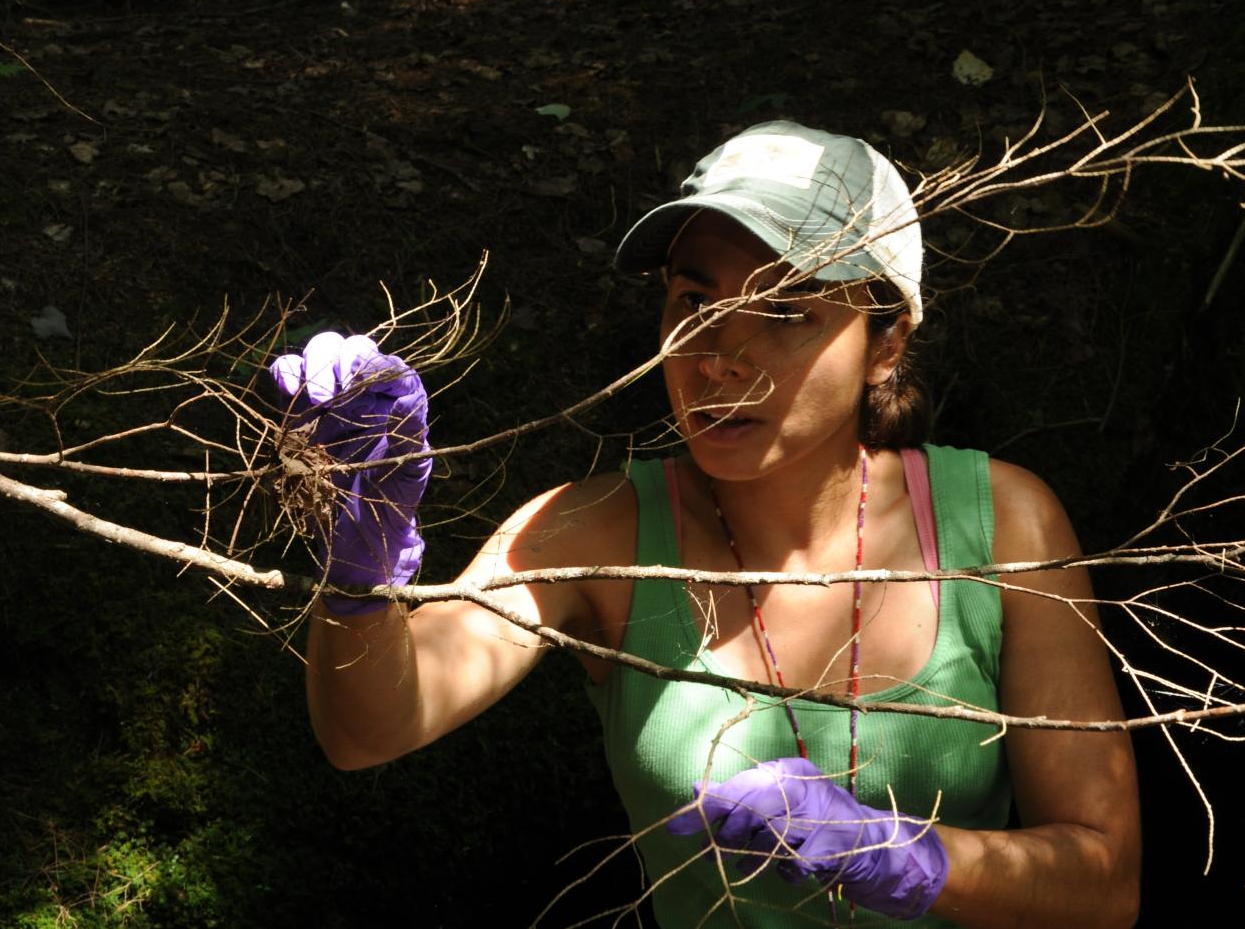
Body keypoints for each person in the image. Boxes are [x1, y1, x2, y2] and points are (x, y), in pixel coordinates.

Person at [273, 121, 1141, 927]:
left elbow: (1105, 887)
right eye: (696, 300)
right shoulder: (592, 531)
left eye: (787, 310)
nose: (721, 355)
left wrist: (905, 857)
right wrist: (360, 568)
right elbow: (368, 732)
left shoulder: (1002, 524)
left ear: (885, 344)